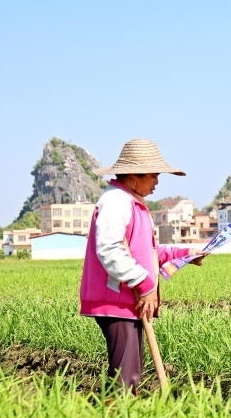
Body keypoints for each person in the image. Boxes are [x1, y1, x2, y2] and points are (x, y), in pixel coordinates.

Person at [80, 139, 205, 393]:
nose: (157, 182)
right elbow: (110, 249)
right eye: (154, 176)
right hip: (117, 301)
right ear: (135, 175)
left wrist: (185, 253)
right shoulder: (116, 202)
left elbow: (146, 253)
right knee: (125, 378)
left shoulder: (133, 203)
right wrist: (145, 283)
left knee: (130, 371)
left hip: (129, 301)